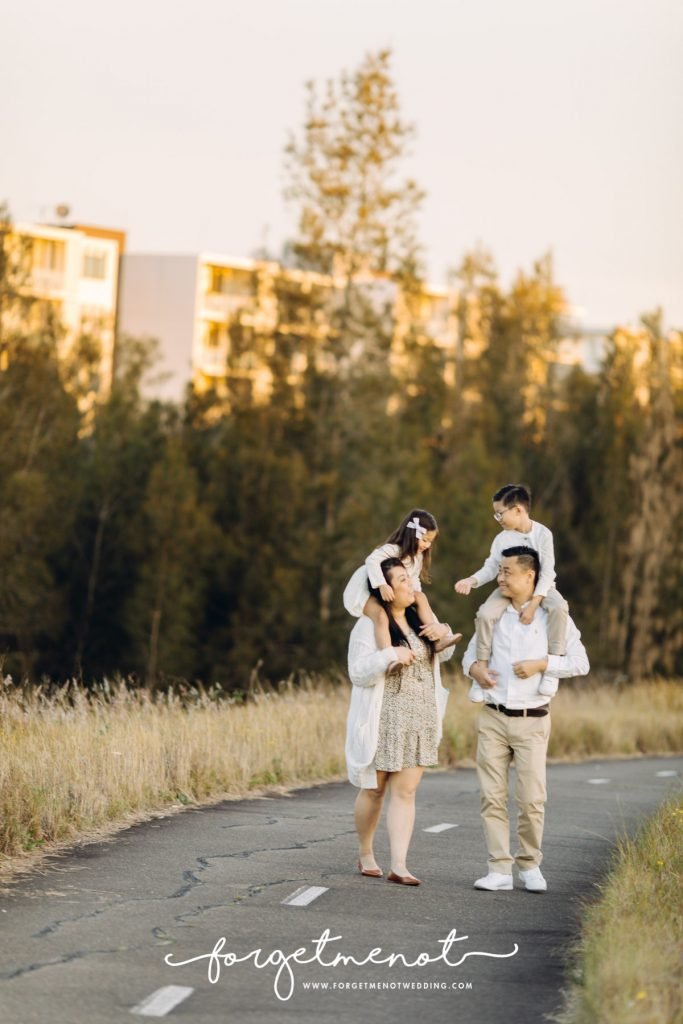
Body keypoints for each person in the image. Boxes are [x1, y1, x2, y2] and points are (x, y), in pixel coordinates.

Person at [462, 546, 589, 893]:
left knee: (531, 800)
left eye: (507, 572)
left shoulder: (553, 616)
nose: (500, 578)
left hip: (533, 719)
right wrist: (476, 670)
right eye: (499, 572)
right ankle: (498, 869)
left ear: (530, 575)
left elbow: (581, 663)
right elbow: (469, 656)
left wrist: (543, 664)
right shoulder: (493, 614)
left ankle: (530, 865)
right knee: (492, 797)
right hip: (492, 717)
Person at [345, 557, 459, 886]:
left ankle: (399, 865)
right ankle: (366, 852)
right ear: (386, 591)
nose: (411, 585)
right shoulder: (368, 627)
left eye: (409, 579)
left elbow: (445, 653)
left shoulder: (417, 619)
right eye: (402, 581)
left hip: (420, 717)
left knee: (407, 792)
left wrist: (443, 631)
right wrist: (390, 655)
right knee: (375, 790)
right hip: (385, 719)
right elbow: (358, 672)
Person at [454, 484, 569, 702]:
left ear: (518, 510)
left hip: (541, 589)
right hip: (508, 588)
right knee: (485, 614)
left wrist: (534, 604)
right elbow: (490, 567)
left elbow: (547, 572)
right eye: (495, 514)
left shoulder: (543, 534)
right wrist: (472, 580)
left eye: (500, 513)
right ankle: (483, 671)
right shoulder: (502, 538)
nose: (498, 519)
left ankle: (552, 670)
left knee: (559, 608)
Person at [344, 508, 459, 659]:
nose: (427, 545)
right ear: (413, 534)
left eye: (430, 541)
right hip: (365, 587)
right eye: (425, 540)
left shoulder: (417, 557)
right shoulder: (394, 549)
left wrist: (414, 594)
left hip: (395, 587)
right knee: (380, 615)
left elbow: (414, 578)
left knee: (421, 597)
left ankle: (435, 638)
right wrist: (381, 585)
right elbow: (372, 560)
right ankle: (389, 656)